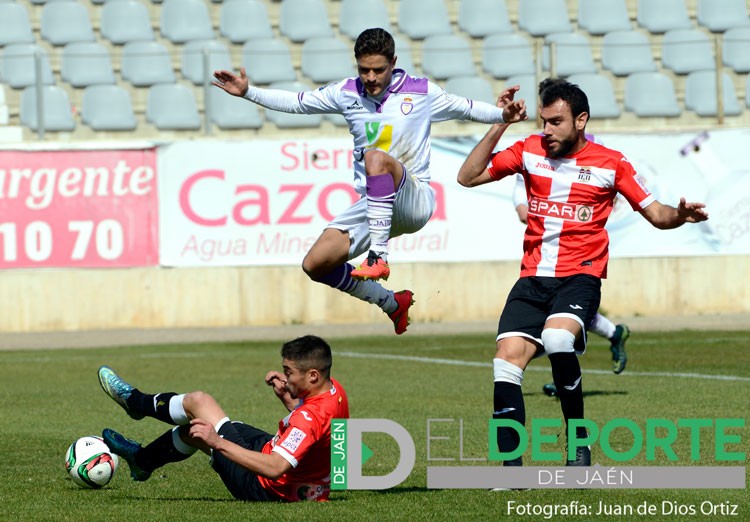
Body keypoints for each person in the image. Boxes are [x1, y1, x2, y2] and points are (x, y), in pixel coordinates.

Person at [457, 78, 708, 467]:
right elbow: (467, 176)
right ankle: (511, 467)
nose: (547, 129)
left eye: (556, 121)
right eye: (543, 120)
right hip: (532, 278)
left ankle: (578, 442)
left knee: (557, 338)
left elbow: (658, 214)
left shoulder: (612, 163)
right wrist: (501, 122)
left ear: (581, 120)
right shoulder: (528, 151)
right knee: (505, 361)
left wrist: (681, 216)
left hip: (581, 275)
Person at [212, 28, 525, 335]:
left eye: (378, 70)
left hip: (413, 197)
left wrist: (503, 114)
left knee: (375, 158)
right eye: (364, 70)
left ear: (393, 62)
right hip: (375, 205)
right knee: (315, 264)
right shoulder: (346, 92)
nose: (371, 77)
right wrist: (248, 93)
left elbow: (466, 109)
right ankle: (391, 303)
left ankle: (378, 256)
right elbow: (299, 102)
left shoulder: (420, 91)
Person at [97, 335, 349, 502]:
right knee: (194, 430)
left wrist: (217, 442)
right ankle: (142, 462)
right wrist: (288, 397)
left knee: (200, 403)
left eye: (289, 372)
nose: (285, 377)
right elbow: (317, 434)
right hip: (294, 473)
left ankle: (135, 402)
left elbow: (275, 468)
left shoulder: (309, 418)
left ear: (313, 375)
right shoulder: (334, 391)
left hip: (261, 486)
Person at [513, 172, 631, 395]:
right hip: (547, 252)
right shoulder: (534, 153)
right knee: (558, 315)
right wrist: (529, 212)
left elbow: (610, 188)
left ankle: (565, 385)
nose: (548, 134)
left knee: (560, 324)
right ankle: (614, 333)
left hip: (579, 253)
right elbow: (520, 191)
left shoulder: (594, 153)